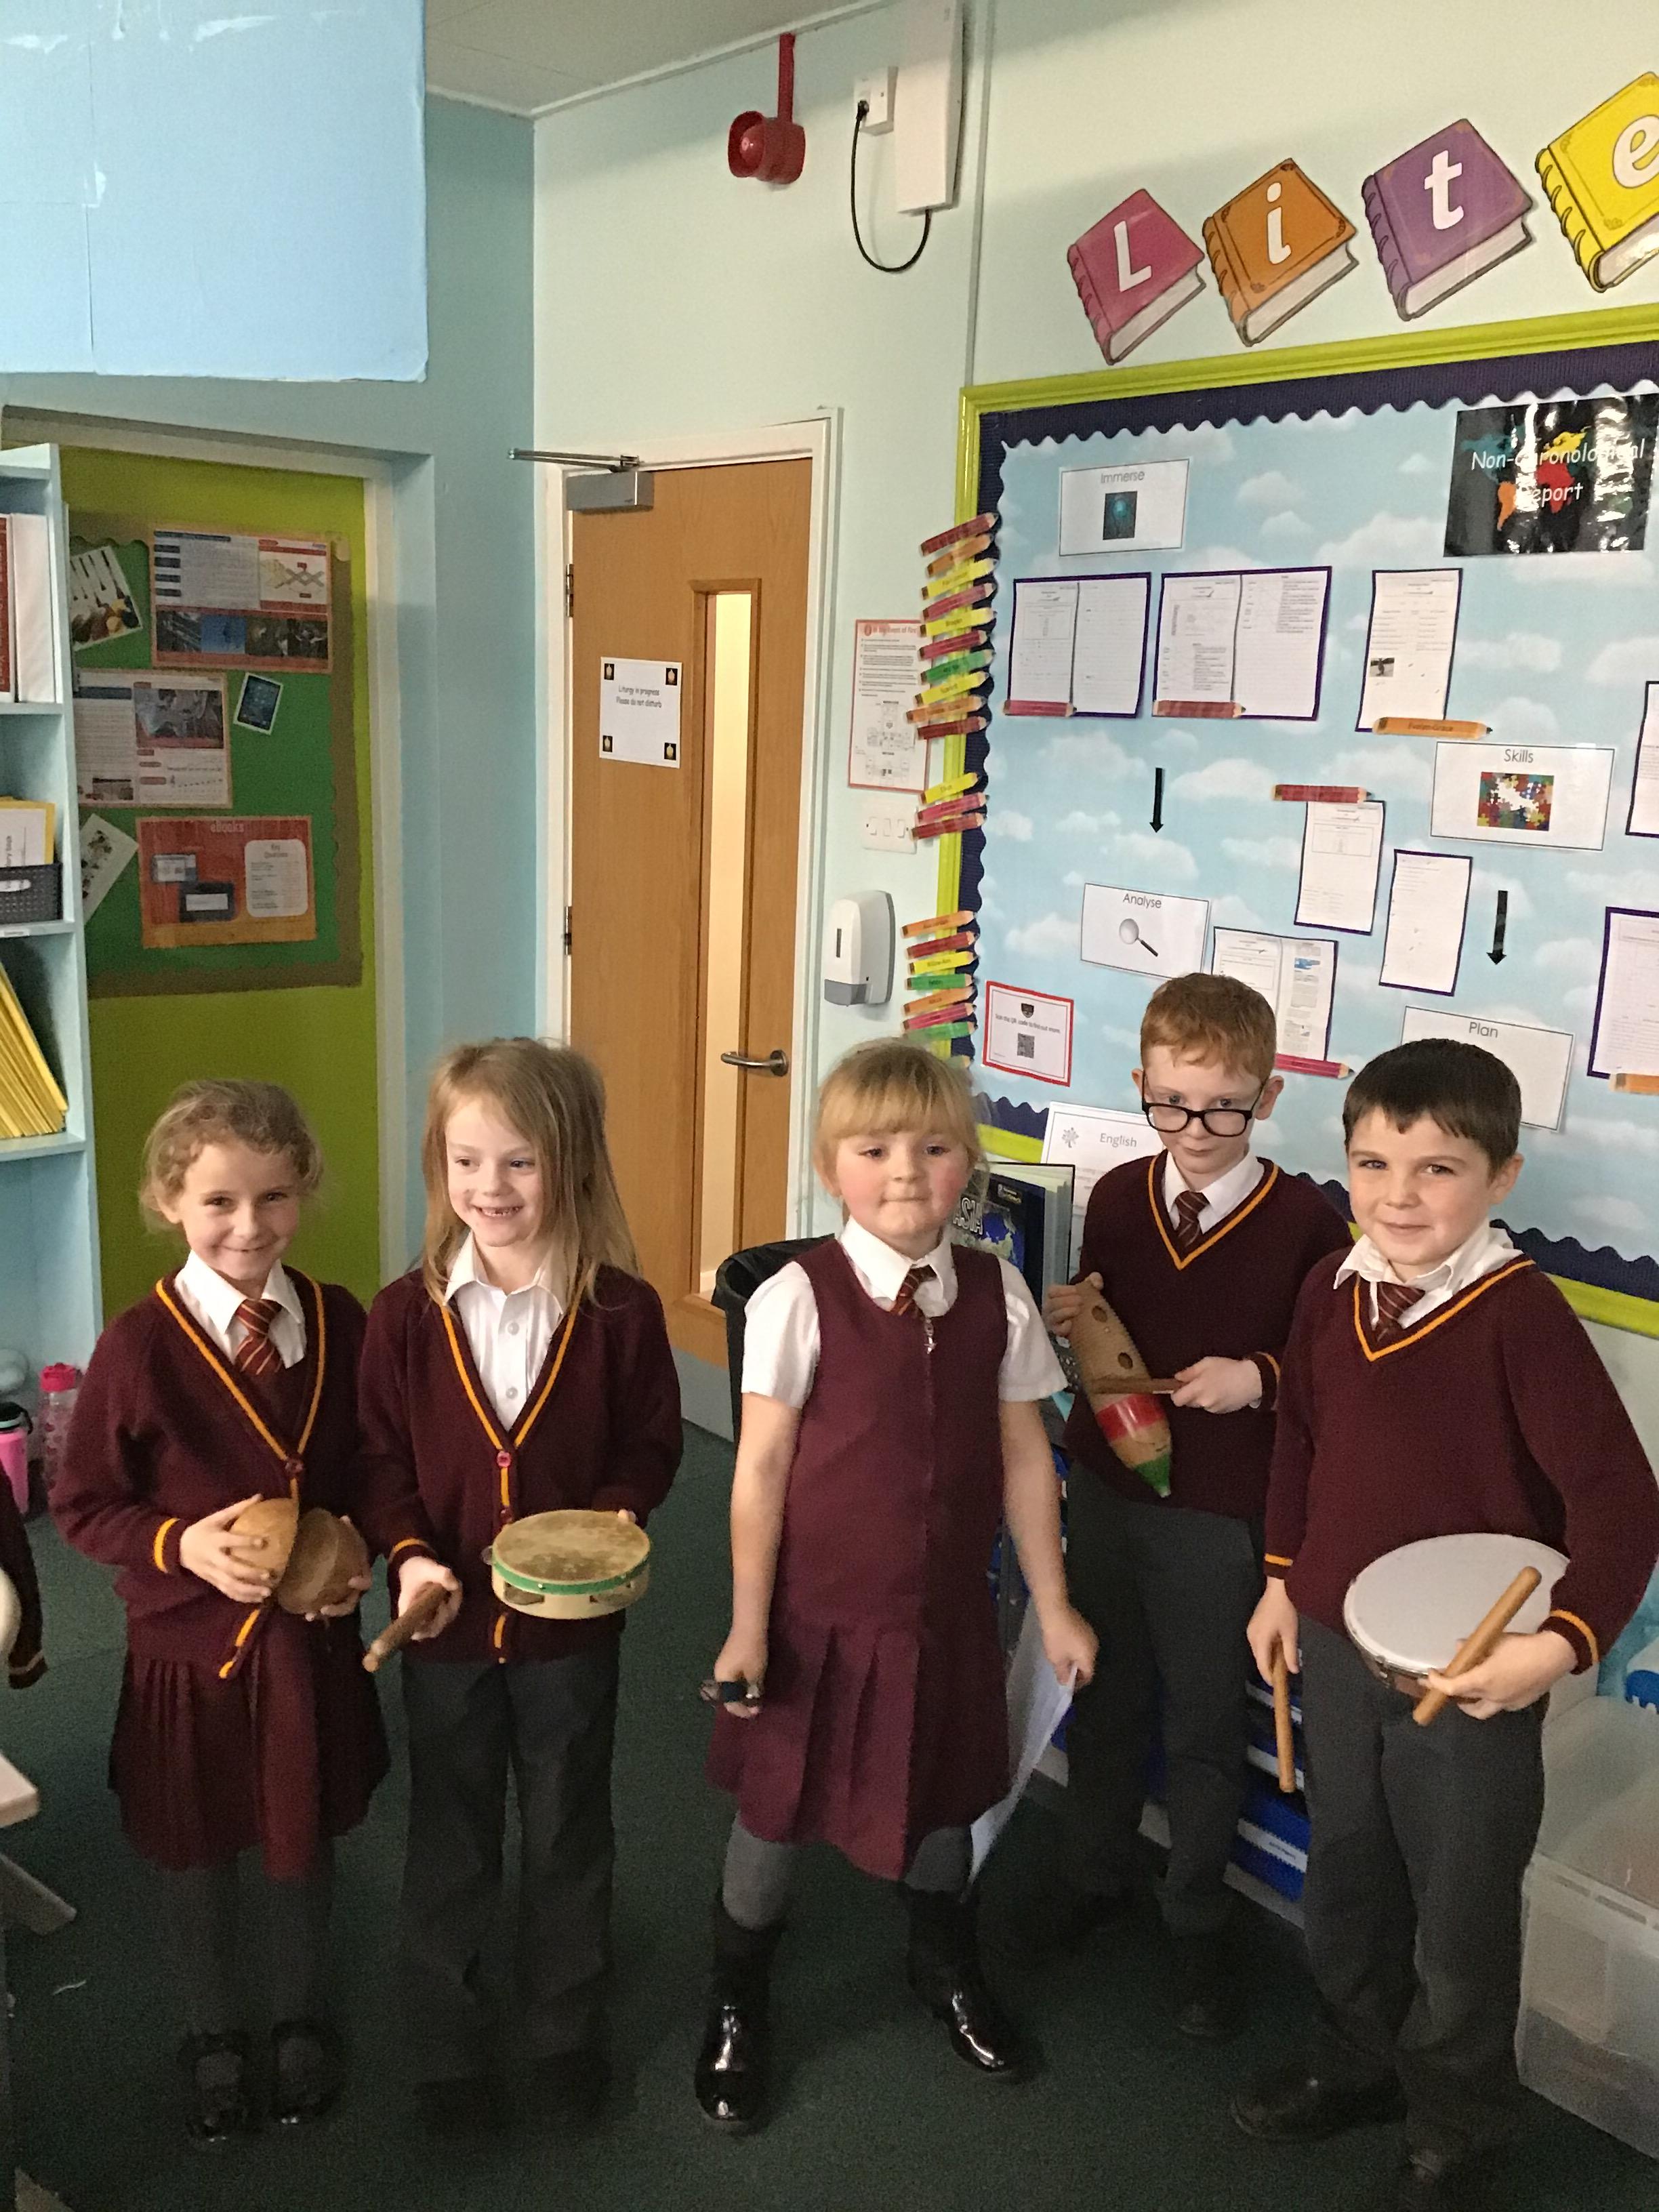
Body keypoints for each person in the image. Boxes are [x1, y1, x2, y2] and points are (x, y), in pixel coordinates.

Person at [1235, 1038, 1659, 2212]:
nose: (1400, 1196)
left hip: (1471, 1674)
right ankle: (1357, 2061)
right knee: (1348, 1874)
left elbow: (1621, 1503)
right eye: (1375, 1164)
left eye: (1439, 1169)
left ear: (1502, 1178)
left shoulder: (1522, 1316)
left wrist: (1557, 1646)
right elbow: (1300, 1441)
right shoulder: (1331, 1287)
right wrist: (1282, 1583)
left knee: (1461, 1915)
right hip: (1336, 1642)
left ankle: (1458, 2129)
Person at [696, 1038, 1097, 2133]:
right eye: (874, 1150)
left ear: (968, 1163)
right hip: (817, 1619)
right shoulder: (798, 1297)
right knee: (775, 1813)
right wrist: (745, 1627)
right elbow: (759, 1471)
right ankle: (737, 1995)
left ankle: (943, 1960)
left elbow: (1025, 1457)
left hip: (945, 1617)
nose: (907, 1172)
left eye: (933, 1148)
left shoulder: (998, 1294)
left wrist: (1055, 1603)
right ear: (832, 1166)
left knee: (943, 1794)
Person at [355, 1039, 680, 2135]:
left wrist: (619, 1512)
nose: (490, 1188)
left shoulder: (622, 1312)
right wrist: (409, 1554)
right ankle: (446, 2039)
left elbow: (652, 1444)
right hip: (443, 1631)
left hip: (569, 1637)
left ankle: (563, 2028)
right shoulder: (403, 1318)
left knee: (568, 1823)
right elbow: (379, 1462)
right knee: (448, 1828)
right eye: (467, 1162)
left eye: (521, 1163)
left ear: (572, 1163)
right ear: (439, 1167)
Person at [54, 1080, 384, 2144]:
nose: (250, 1226)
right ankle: (210, 2031)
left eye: (274, 1198)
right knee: (195, 1845)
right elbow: (83, 1503)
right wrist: (181, 1545)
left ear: (304, 1194)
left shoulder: (338, 1321)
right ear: (169, 1202)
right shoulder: (139, 1347)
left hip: (306, 1650)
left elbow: (376, 1464)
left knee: (300, 1833)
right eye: (219, 1203)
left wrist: (361, 1544)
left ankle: (298, 2016)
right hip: (188, 1652)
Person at [1044, 973, 1349, 2038]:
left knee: (1205, 1723)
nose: (1195, 1131)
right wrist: (1074, 1310)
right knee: (1104, 1693)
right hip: (1108, 1486)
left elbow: (1333, 1374)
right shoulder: (1121, 1195)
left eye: (1224, 1108)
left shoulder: (1310, 1223)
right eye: (1170, 1104)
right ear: (1142, 1083)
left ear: (1268, 1097)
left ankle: (1196, 1925)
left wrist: (1259, 1377)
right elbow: (1100, 1318)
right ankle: (1093, 1878)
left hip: (1219, 1514)